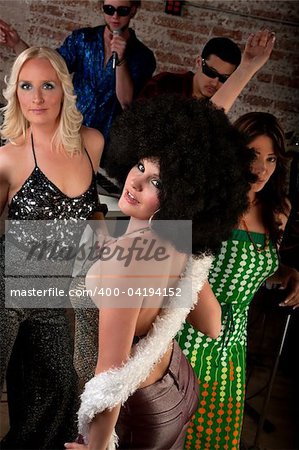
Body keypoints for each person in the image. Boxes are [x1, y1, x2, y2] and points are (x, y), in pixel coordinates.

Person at [62, 93, 256, 450]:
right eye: (141, 167)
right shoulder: (182, 245)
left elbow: (111, 378)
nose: (135, 183)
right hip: (175, 385)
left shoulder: (127, 258)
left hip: (132, 411)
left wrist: (97, 445)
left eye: (157, 183)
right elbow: (211, 324)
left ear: (184, 194)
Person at [0, 46, 104, 449]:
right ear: (16, 94)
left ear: (64, 90)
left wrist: (102, 238)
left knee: (59, 389)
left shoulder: (91, 143)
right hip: (9, 282)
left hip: (50, 291)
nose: (37, 98)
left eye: (47, 86)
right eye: (26, 86)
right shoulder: (9, 157)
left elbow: (89, 204)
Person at [177, 112, 299, 450]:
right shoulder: (211, 202)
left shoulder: (278, 210)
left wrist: (287, 273)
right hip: (190, 329)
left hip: (234, 340)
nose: (262, 168)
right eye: (253, 155)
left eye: (271, 158)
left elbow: (255, 268)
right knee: (177, 429)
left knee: (218, 433)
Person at [0, 0, 156, 160]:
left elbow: (126, 102)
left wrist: (121, 60)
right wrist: (17, 44)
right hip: (68, 132)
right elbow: (47, 69)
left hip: (108, 145)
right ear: (101, 7)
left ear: (133, 10)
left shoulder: (143, 56)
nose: (115, 16)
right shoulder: (83, 39)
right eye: (109, 9)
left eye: (122, 10)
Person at [140, 35, 241, 100]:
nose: (215, 83)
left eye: (224, 78)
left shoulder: (217, 105)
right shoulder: (164, 84)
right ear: (198, 62)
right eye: (211, 72)